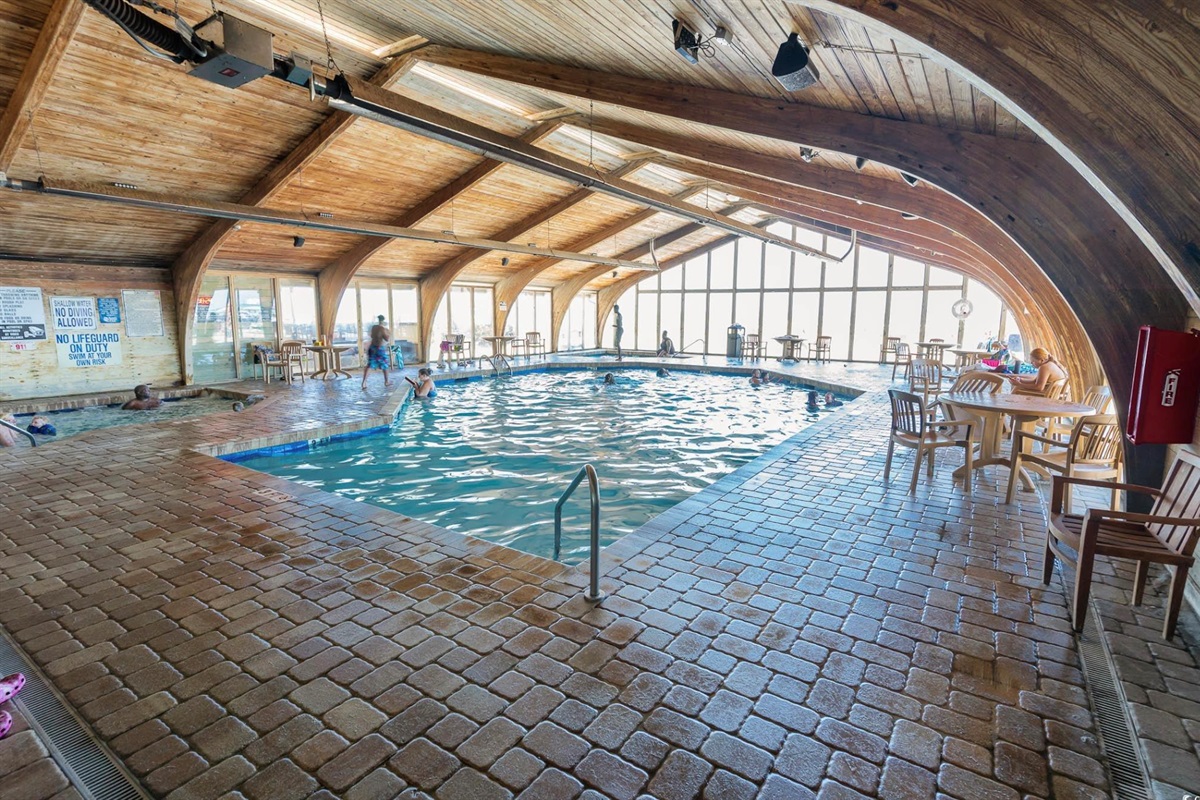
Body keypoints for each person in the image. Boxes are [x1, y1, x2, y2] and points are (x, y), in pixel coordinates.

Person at [362, 315, 392, 389]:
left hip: (372, 347)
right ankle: (386, 381)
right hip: (379, 348)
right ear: (383, 321)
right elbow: (387, 338)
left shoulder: (374, 327)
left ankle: (364, 382)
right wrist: (388, 332)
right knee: (385, 365)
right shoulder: (382, 328)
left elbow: (372, 336)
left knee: (369, 365)